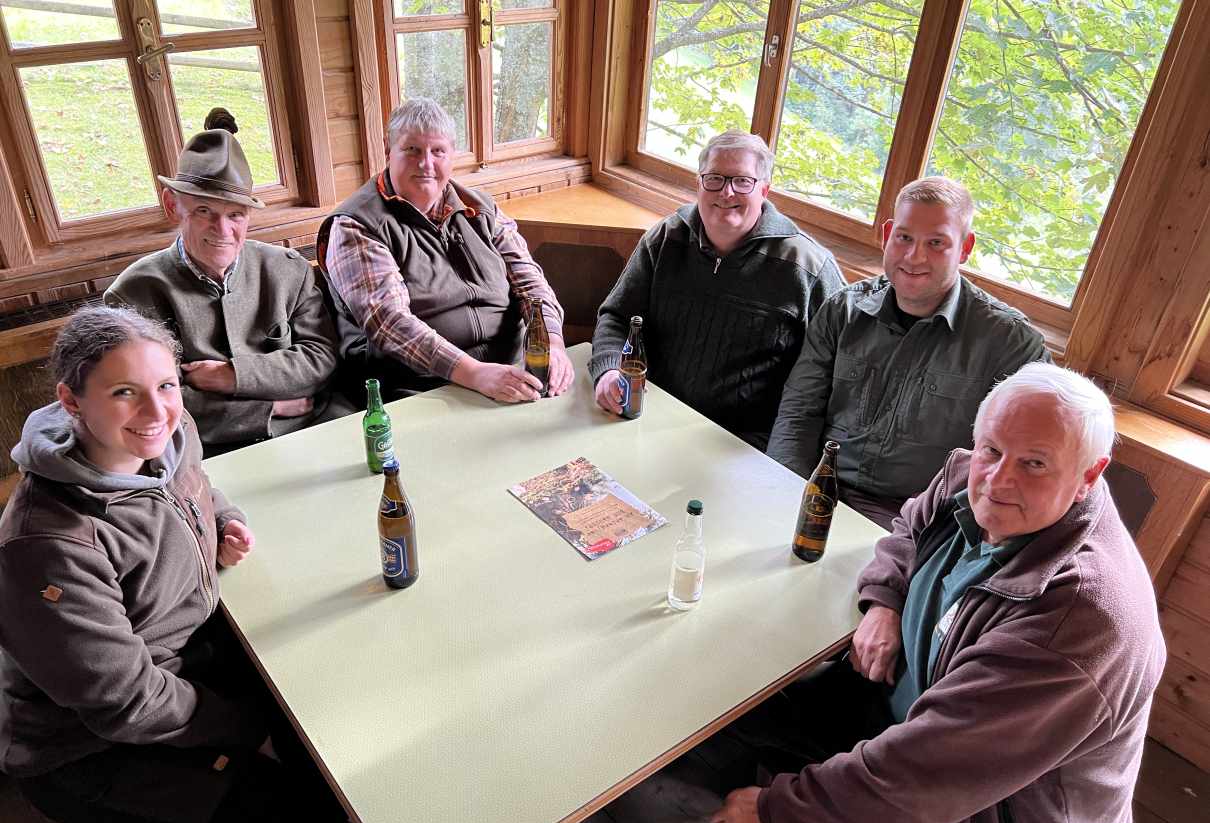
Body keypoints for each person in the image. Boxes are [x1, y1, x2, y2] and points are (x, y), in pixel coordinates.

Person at [710, 362, 1166, 823]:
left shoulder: (1077, 623)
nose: (998, 480)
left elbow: (929, 772)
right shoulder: (966, 478)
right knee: (729, 700)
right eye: (992, 449)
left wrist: (777, 813)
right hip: (901, 721)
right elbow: (909, 528)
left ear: (1090, 475)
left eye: (1035, 463)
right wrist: (884, 601)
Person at [0, 306, 368, 823]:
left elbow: (197, 487)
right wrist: (249, 732)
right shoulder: (47, 546)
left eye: (166, 386)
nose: (156, 412)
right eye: (124, 393)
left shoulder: (169, 436)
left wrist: (224, 521)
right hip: (89, 748)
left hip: (191, 660)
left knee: (346, 740)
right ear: (71, 401)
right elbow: (127, 703)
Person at [767, 176, 1051, 528]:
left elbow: (1016, 465)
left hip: (920, 520)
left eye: (936, 243)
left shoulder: (1011, 344)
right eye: (904, 238)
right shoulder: (843, 310)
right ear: (887, 235)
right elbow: (798, 412)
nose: (915, 257)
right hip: (820, 490)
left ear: (965, 248)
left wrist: (936, 535)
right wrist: (785, 492)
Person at [106, 108, 346, 455]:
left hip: (310, 428)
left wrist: (230, 375)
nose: (223, 230)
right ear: (173, 206)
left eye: (236, 215)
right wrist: (269, 408)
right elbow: (147, 403)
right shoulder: (134, 294)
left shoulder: (287, 270)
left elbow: (320, 359)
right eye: (204, 211)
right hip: (203, 451)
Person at [589, 130, 844, 450]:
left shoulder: (808, 267)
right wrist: (609, 370)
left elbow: (834, 373)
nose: (726, 192)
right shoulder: (665, 238)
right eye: (714, 179)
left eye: (742, 181)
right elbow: (617, 316)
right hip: (650, 415)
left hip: (744, 445)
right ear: (699, 183)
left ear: (764, 190)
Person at [317, 97, 574, 404]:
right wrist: (476, 374)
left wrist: (553, 344)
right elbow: (390, 324)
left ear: (452, 155)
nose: (426, 164)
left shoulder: (480, 207)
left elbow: (531, 283)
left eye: (437, 151)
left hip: (513, 370)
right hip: (419, 388)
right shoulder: (356, 225)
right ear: (388, 151)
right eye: (412, 150)